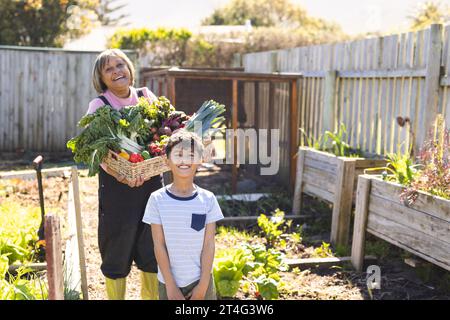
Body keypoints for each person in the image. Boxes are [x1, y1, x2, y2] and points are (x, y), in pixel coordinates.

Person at [87, 48, 161, 300]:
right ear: (102, 78)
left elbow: (161, 136)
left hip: (151, 182)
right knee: (117, 244)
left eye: (121, 65)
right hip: (117, 186)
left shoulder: (146, 96)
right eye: (109, 69)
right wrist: (121, 173)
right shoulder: (100, 105)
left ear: (129, 68)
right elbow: (94, 148)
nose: (117, 71)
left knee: (151, 244)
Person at [142, 130, 224, 300]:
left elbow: (209, 245)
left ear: (201, 160)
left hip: (201, 282)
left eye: (191, 155)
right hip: (168, 283)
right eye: (178, 154)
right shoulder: (157, 199)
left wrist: (203, 285)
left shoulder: (208, 200)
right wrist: (171, 287)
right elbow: (159, 245)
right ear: (167, 160)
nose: (185, 160)